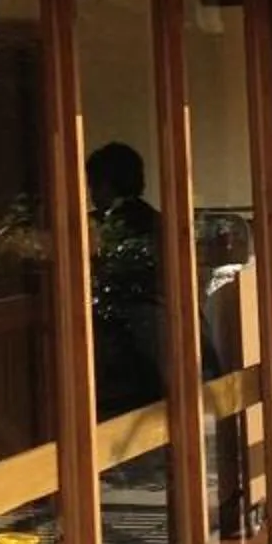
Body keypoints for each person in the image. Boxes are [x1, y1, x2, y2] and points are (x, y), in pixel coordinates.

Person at [85, 140, 166, 417]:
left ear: (106, 185)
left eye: (93, 186)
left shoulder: (100, 228)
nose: (91, 194)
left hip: (122, 339)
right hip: (160, 331)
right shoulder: (157, 220)